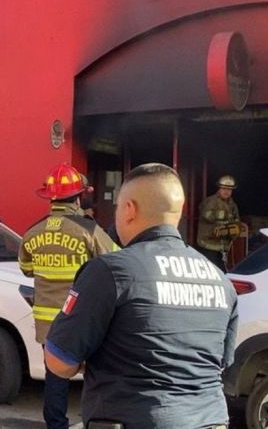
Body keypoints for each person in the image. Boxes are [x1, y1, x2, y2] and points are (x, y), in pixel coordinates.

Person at [45, 163, 238, 429]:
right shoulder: (220, 280)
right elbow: (221, 364)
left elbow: (59, 362)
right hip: (210, 420)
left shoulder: (110, 271)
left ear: (129, 209)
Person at [18, 163, 117, 429]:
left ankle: (55, 425)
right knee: (94, 374)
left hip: (46, 321)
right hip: (81, 317)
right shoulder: (88, 230)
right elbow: (117, 263)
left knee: (55, 376)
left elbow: (27, 269)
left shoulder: (33, 231)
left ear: (51, 197)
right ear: (77, 197)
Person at [197, 175, 241, 270]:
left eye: (229, 189)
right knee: (210, 272)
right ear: (219, 188)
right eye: (224, 188)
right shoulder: (210, 202)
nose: (227, 191)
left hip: (223, 247)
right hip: (208, 246)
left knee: (223, 272)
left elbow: (237, 222)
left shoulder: (233, 205)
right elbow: (207, 216)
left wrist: (235, 230)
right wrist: (225, 224)